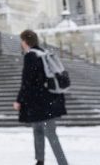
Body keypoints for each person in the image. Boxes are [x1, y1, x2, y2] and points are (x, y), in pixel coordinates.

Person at [13, 29, 69, 165]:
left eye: (21, 41)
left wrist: (19, 100)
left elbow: (27, 81)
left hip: (40, 101)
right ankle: (40, 161)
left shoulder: (31, 56)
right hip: (48, 99)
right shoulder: (43, 53)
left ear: (25, 42)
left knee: (49, 132)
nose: (21, 43)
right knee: (38, 129)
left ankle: (63, 163)